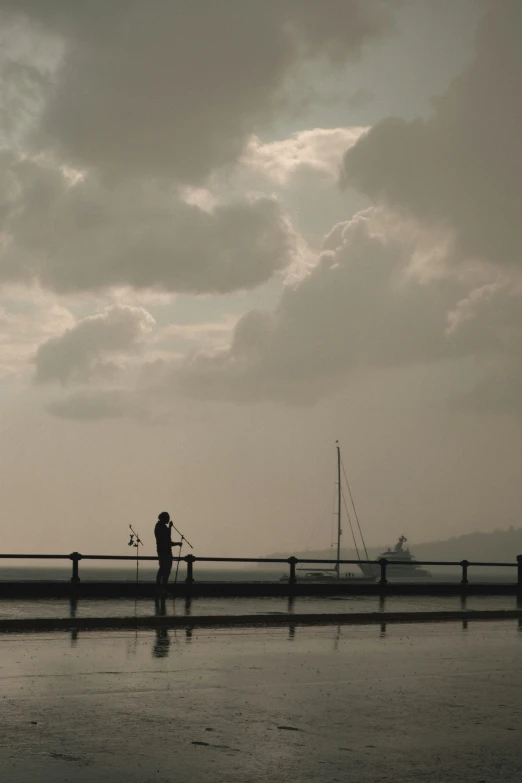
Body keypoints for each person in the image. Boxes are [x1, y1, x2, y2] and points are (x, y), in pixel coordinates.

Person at [154, 511, 182, 588]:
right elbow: (167, 540)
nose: (168, 520)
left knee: (162, 569)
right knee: (165, 570)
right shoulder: (162, 527)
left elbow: (167, 540)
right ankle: (162, 587)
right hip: (165, 552)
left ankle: (159, 586)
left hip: (161, 551)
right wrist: (170, 527)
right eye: (167, 518)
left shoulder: (159, 526)